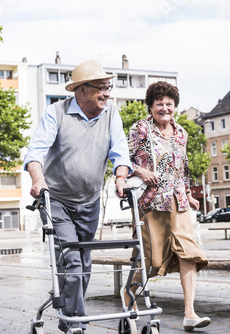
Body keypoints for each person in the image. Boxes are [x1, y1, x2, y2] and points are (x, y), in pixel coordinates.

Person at [23, 60, 132, 333]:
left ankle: (68, 316)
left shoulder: (110, 114)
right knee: (71, 258)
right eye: (101, 88)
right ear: (82, 90)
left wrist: (120, 177)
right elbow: (35, 153)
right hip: (57, 199)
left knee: (83, 263)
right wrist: (38, 179)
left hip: (90, 201)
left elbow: (120, 151)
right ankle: (76, 325)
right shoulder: (56, 113)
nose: (106, 94)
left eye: (109, 88)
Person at [126, 81, 211, 331]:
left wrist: (188, 192)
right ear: (151, 106)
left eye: (169, 104)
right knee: (149, 259)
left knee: (189, 253)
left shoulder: (181, 133)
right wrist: (141, 171)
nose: (164, 107)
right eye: (159, 103)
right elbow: (124, 160)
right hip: (150, 201)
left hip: (178, 201)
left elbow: (182, 168)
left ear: (175, 106)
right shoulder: (141, 129)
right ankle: (129, 296)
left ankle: (190, 313)